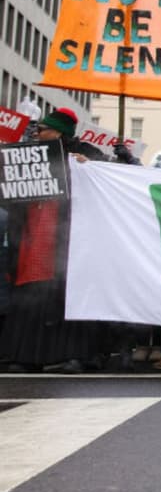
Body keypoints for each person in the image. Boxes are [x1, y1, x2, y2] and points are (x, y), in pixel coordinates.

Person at [0, 109, 106, 373]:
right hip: (32, 237)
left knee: (65, 297)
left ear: (59, 132)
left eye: (43, 129)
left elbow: (104, 180)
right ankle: (25, 355)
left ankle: (74, 354)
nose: (37, 133)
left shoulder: (86, 153)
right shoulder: (28, 155)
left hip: (67, 241)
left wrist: (87, 166)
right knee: (29, 297)